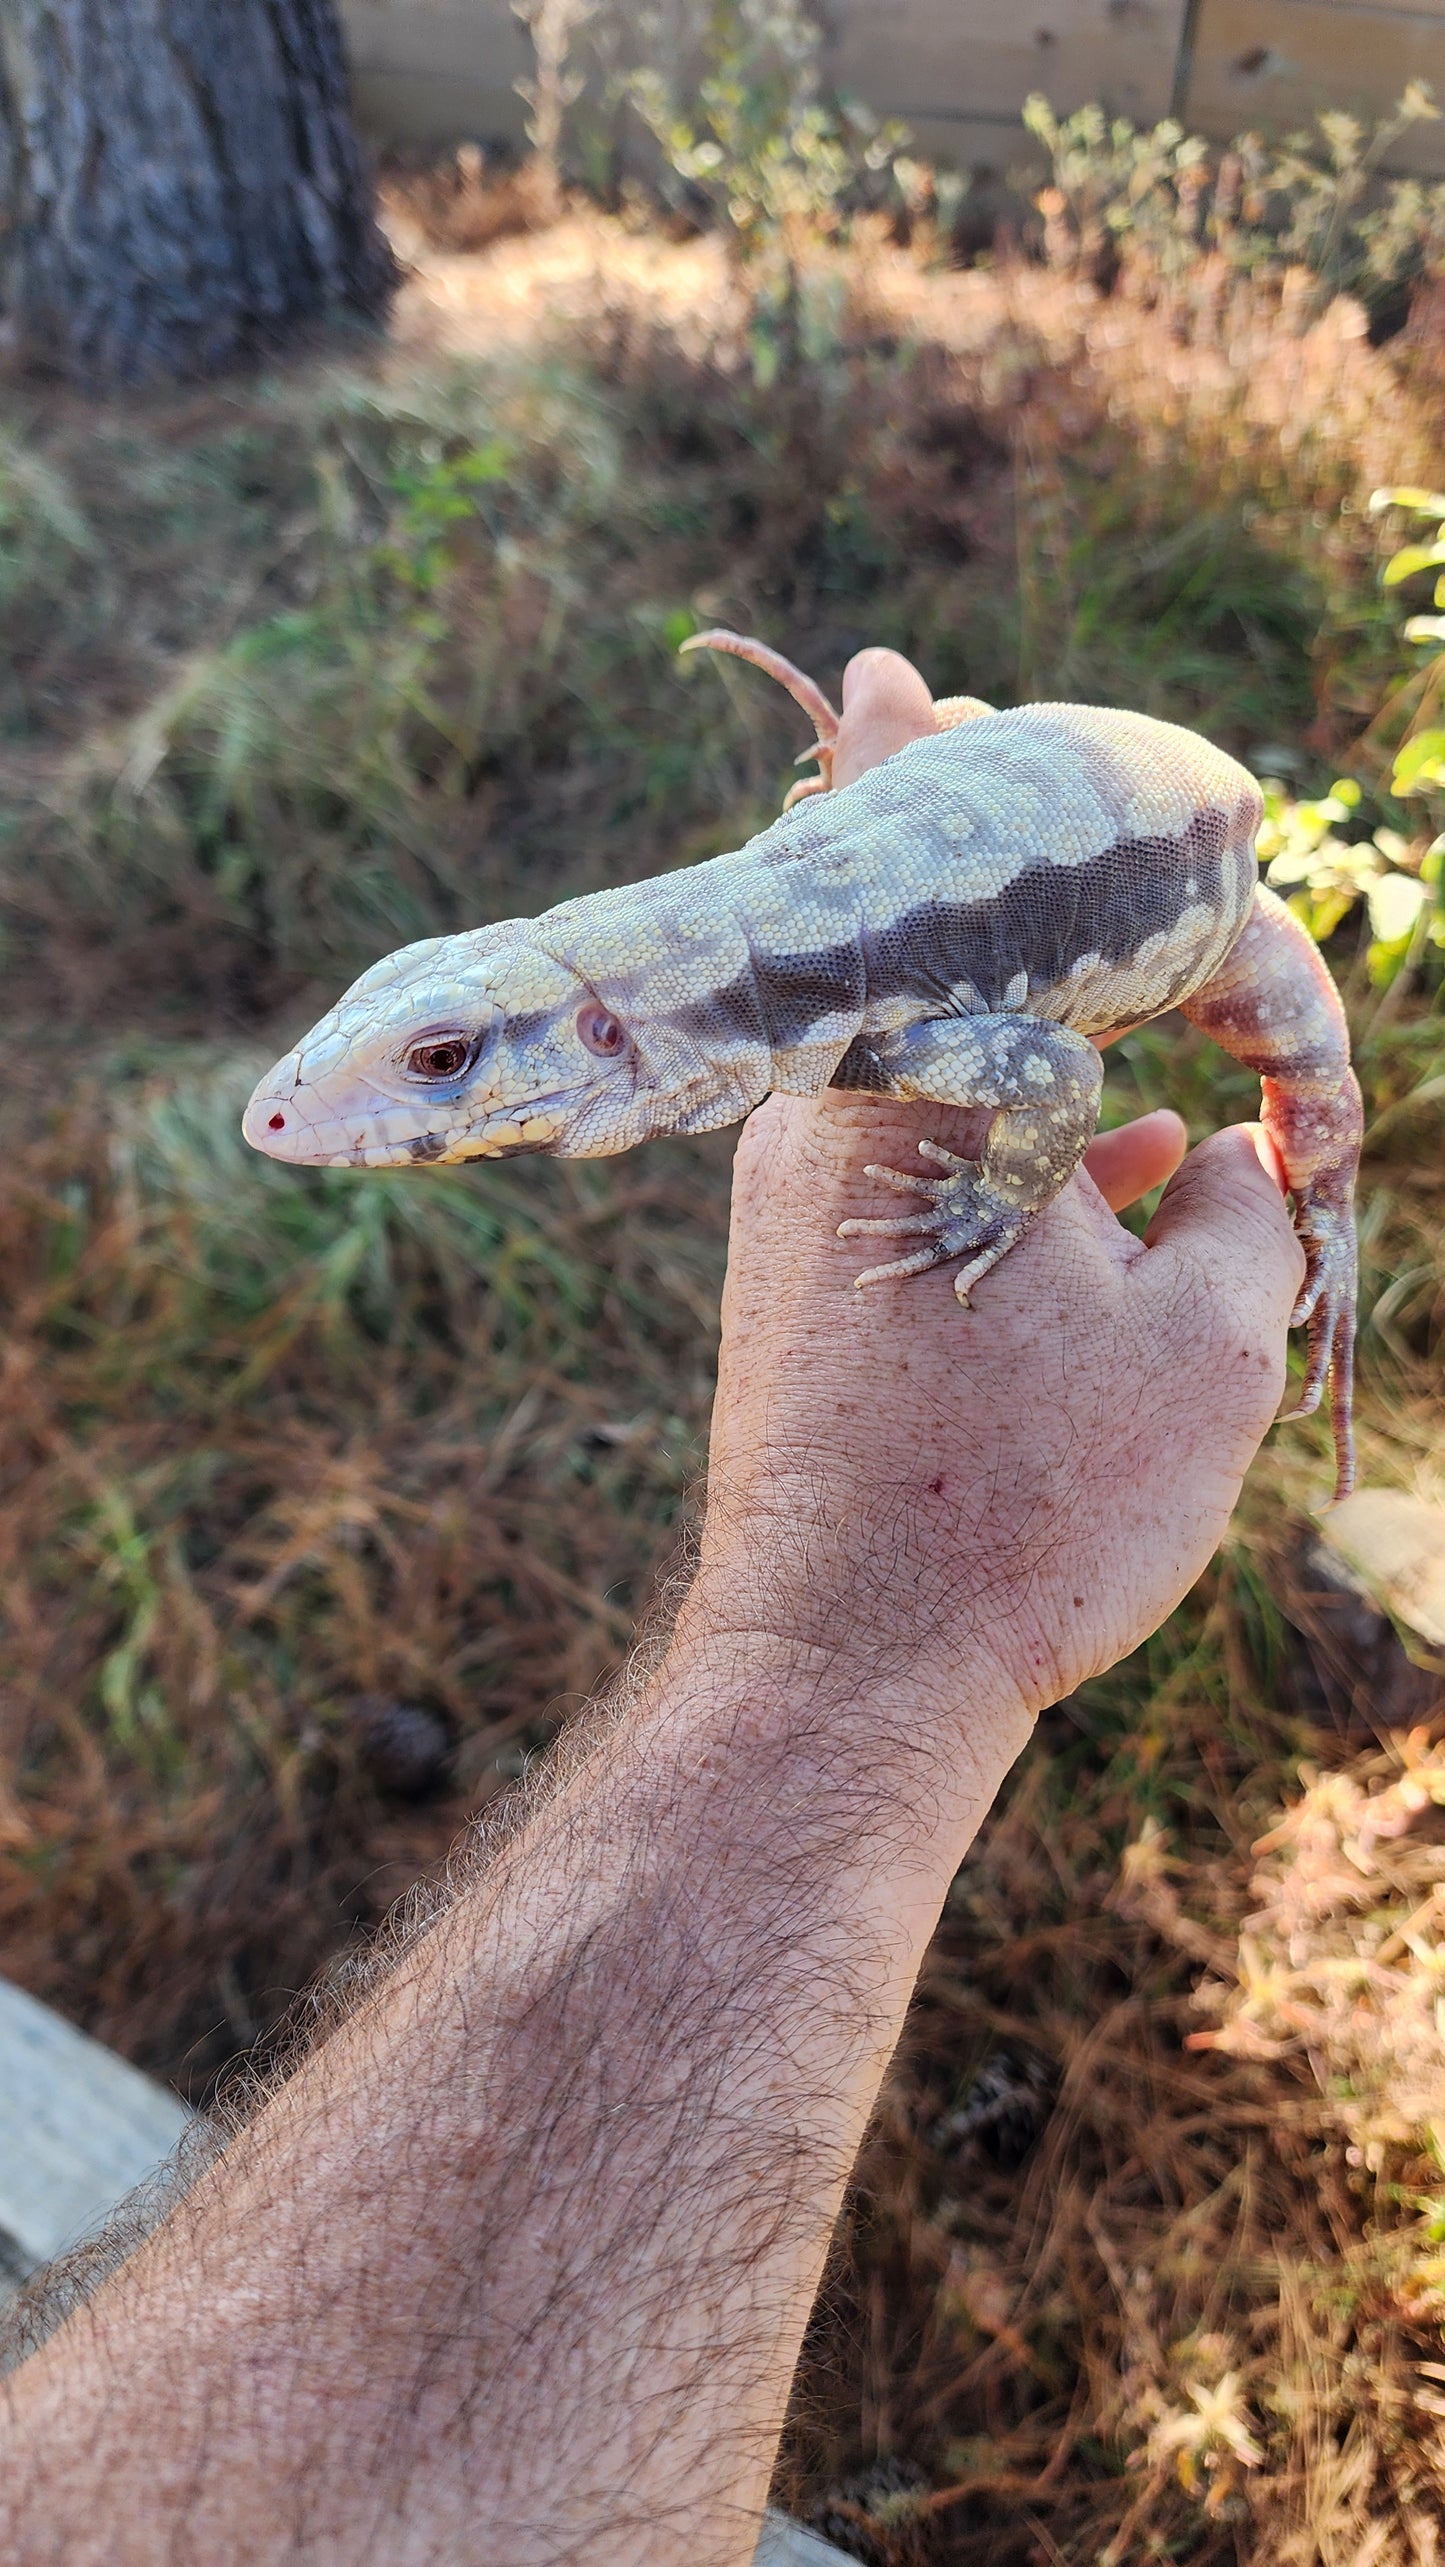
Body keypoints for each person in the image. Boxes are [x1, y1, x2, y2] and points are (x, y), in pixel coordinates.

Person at [0, 651, 1305, 2565]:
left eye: (447, 1064)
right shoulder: (726, 1004)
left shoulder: (817, 1018)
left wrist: (987, 1207)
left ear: (608, 1040)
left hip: (1169, 842)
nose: (301, 1116)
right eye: (416, 1046)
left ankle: (1331, 1230)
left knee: (1312, 1114)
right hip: (1071, 801)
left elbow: (1056, 1073)